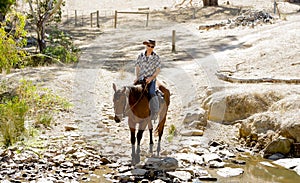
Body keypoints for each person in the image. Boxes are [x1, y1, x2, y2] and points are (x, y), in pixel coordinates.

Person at [134, 39, 161, 121]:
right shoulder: (140, 56)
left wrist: (151, 78)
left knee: (152, 93)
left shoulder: (156, 57)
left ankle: (155, 111)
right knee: (132, 91)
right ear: (146, 46)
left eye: (152, 46)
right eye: (148, 46)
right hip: (141, 78)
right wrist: (137, 77)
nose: (150, 48)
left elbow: (157, 70)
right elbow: (137, 67)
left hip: (150, 79)